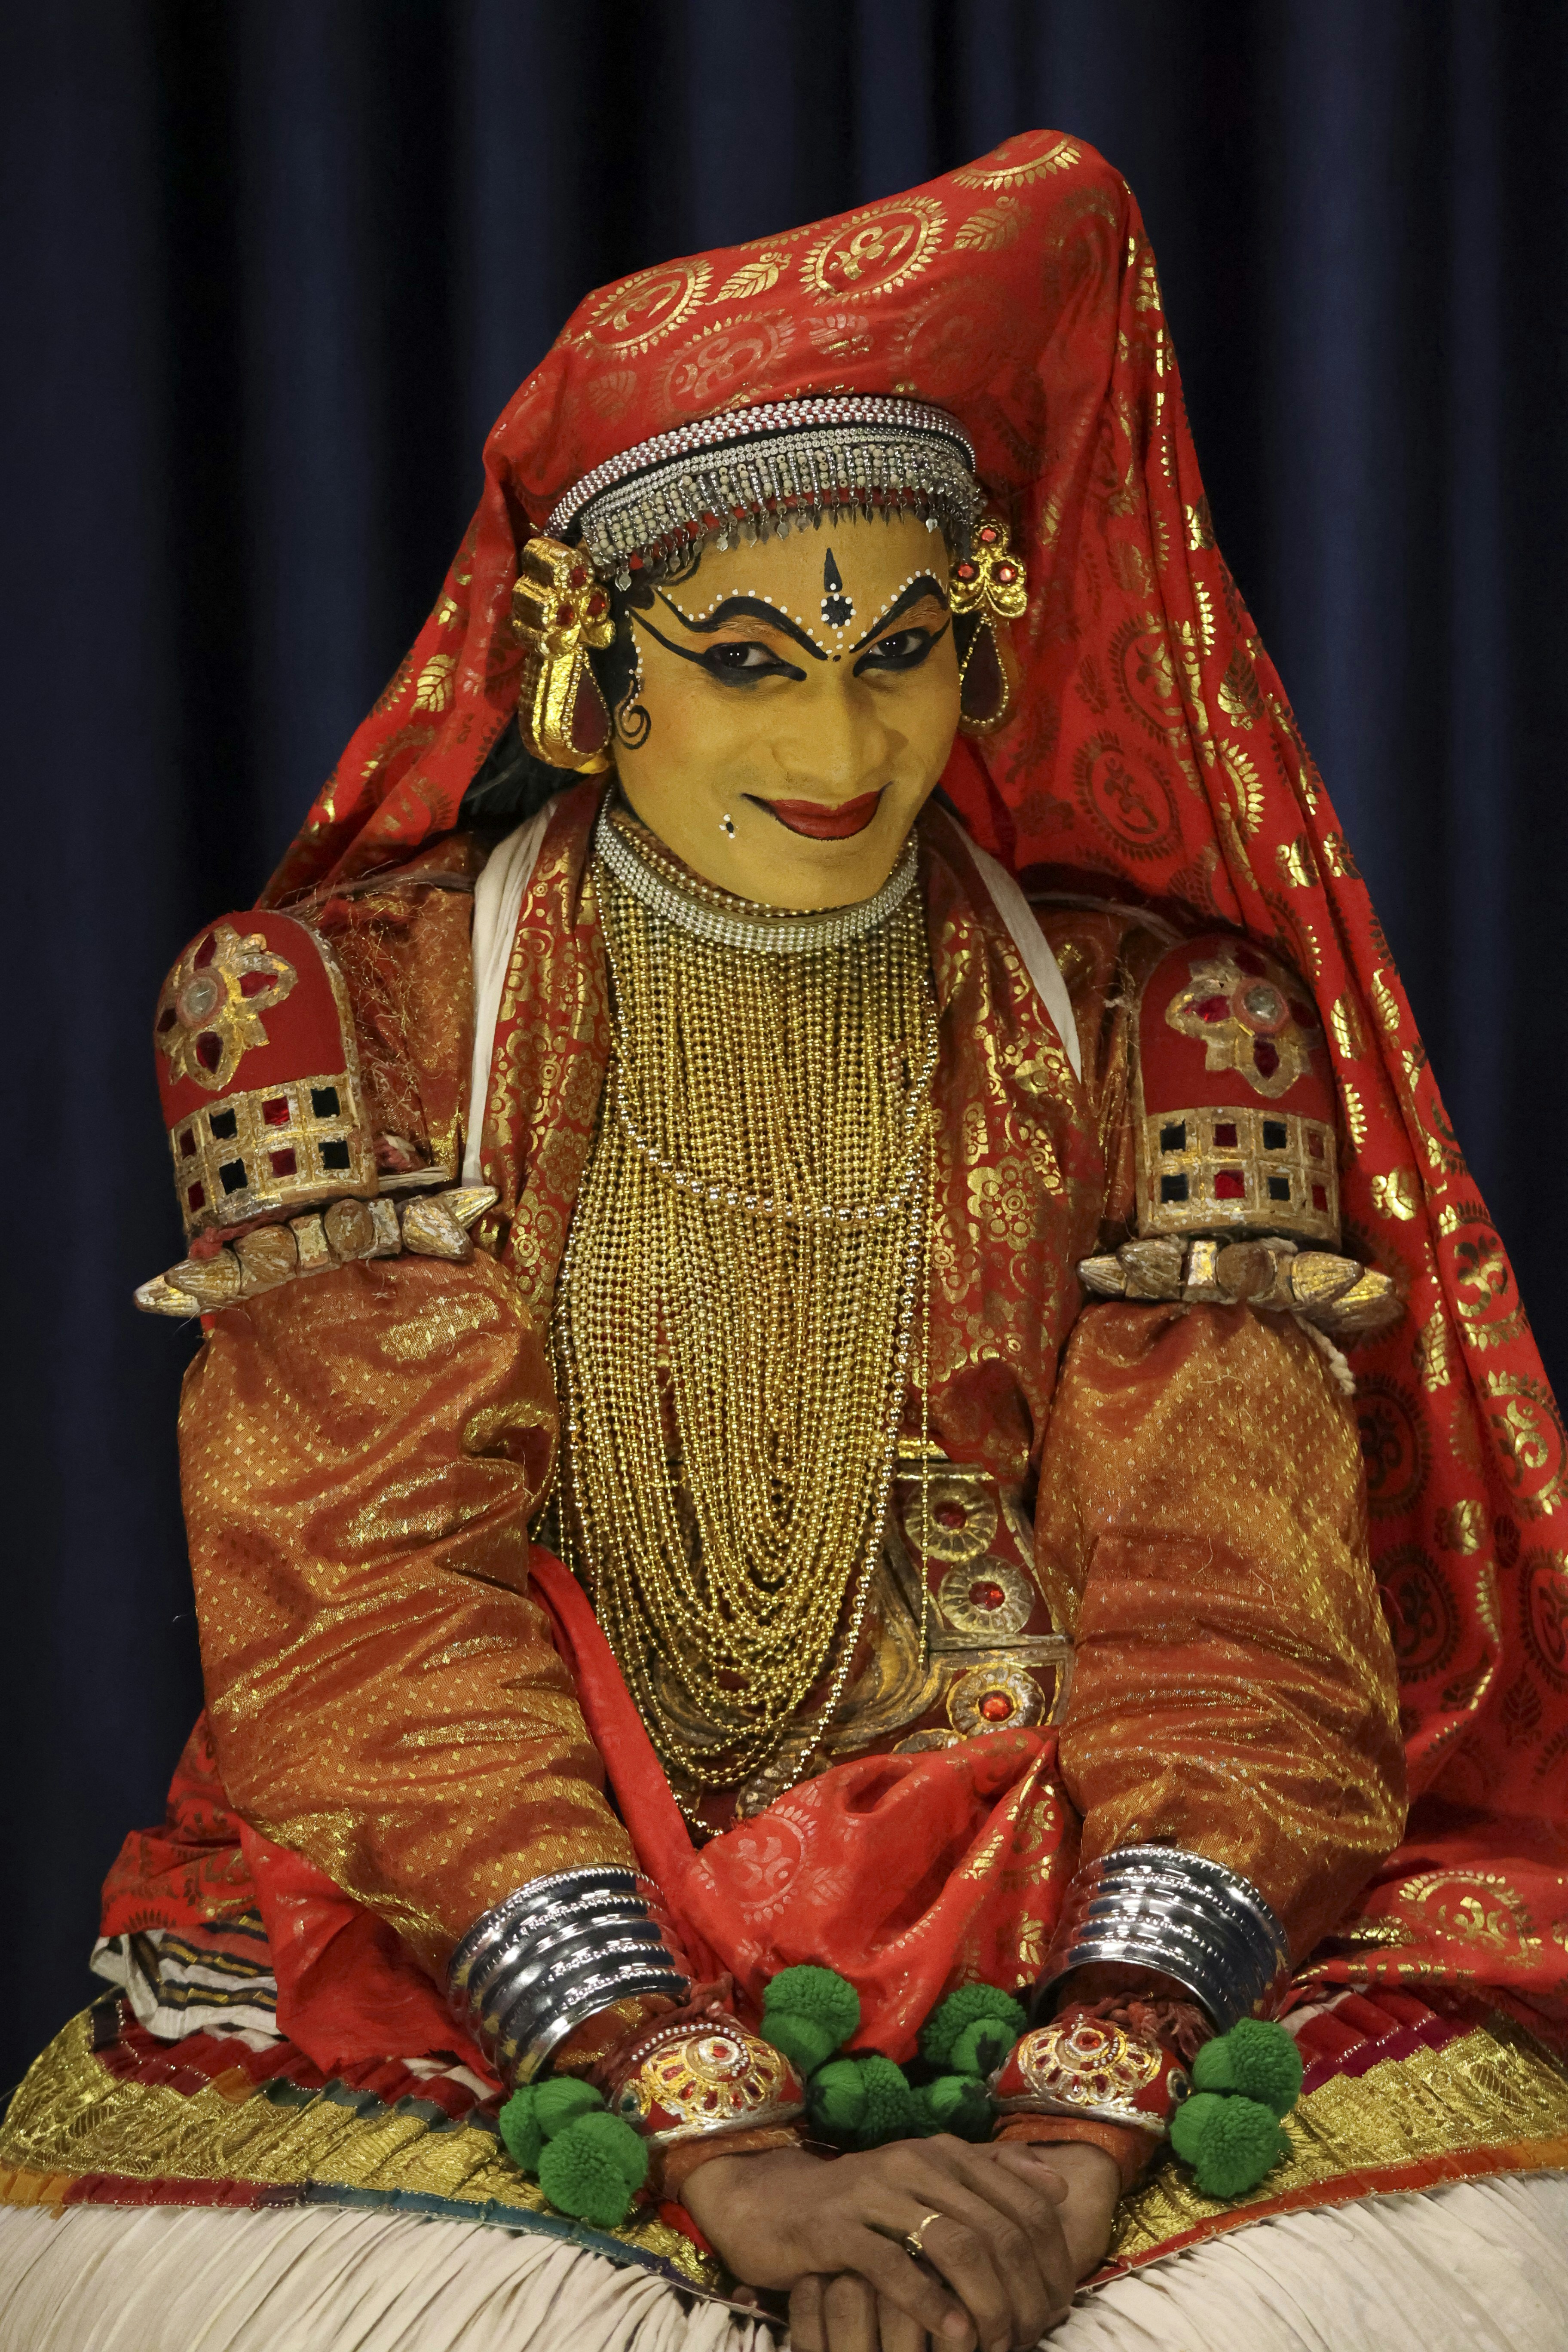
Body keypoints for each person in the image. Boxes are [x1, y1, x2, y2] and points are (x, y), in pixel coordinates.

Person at [3, 129, 1566, 2352]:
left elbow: (1242, 1638)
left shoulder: (1163, 1031)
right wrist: (696, 2111)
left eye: (906, 650)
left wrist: (1082, 2129)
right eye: (749, 661)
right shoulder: (333, 1026)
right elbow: (358, 1629)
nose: (844, 744)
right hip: (479, 1957)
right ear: (591, 670)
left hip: (1072, 1948)